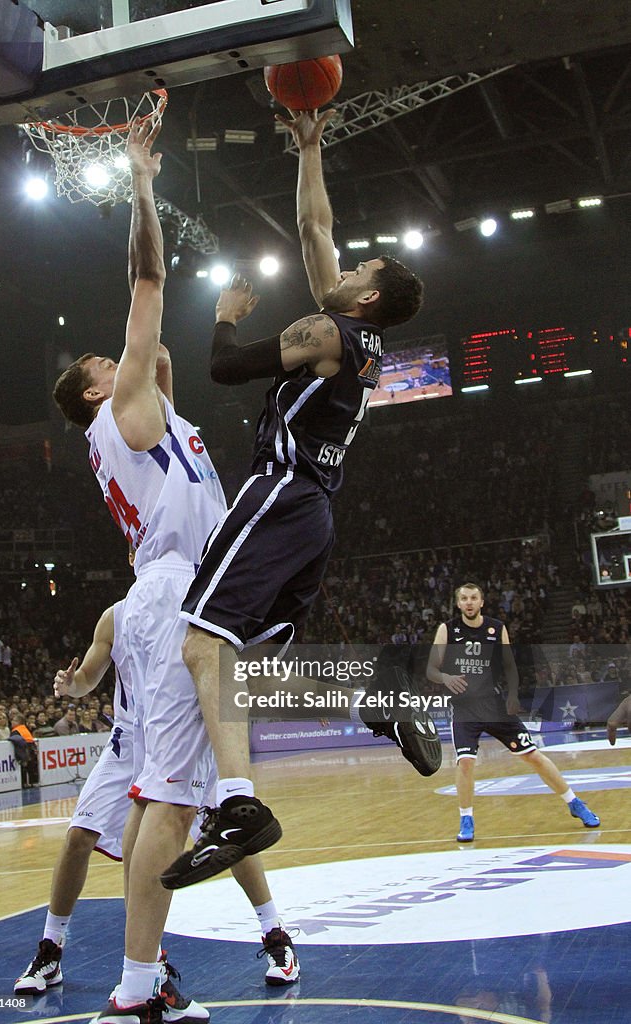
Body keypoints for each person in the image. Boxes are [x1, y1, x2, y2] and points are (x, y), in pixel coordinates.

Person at [51, 120, 296, 1024]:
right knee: (173, 801)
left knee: (176, 803)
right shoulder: (120, 410)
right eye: (103, 364)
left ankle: (140, 984)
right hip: (177, 597)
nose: (120, 360)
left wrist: (223, 323)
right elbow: (146, 281)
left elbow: (162, 349)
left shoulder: (162, 418)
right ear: (92, 393)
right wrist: (144, 181)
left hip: (195, 589)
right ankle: (132, 987)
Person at [162, 107, 424, 891]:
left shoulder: (326, 332)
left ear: (365, 298)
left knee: (202, 646)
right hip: (313, 512)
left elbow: (226, 370)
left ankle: (238, 805)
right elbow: (316, 230)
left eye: (360, 269)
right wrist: (310, 149)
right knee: (249, 671)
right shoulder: (355, 334)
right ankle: (375, 696)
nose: (345, 266)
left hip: (279, 492)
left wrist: (220, 320)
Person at [16, 597, 300, 999]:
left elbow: (232, 668)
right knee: (79, 835)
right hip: (131, 740)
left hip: (184, 732)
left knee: (231, 831)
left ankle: (276, 936)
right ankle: (51, 950)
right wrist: (71, 684)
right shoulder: (114, 616)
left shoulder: (202, 603)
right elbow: (88, 678)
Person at [426, 581, 600, 842]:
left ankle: (574, 802)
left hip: (495, 705)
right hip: (465, 708)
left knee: (534, 757)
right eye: (464, 598)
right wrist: (446, 678)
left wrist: (513, 695)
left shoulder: (496, 628)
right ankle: (466, 818)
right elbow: (431, 670)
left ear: (482, 601)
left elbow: (509, 667)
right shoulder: (447, 630)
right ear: (458, 603)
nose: (469, 602)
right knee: (465, 763)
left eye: (474, 597)